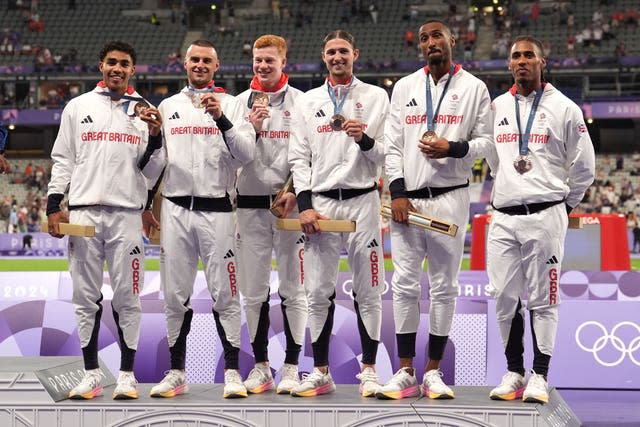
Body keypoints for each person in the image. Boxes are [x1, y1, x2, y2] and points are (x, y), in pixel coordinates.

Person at [379, 19, 492, 400]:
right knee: (405, 285)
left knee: (444, 286)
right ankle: (406, 370)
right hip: (407, 200)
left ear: (452, 40)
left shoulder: (474, 87)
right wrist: (396, 192)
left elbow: (488, 142)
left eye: (437, 36)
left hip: (451, 196)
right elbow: (392, 146)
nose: (430, 42)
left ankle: (433, 371)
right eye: (424, 38)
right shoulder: (406, 87)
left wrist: (455, 148)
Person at [46, 40, 165, 400]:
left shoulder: (146, 111)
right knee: (85, 297)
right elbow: (62, 158)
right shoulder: (77, 106)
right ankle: (91, 374)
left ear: (132, 69)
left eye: (124, 64)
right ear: (101, 66)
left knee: (129, 296)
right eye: (111, 62)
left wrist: (157, 136)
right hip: (83, 213)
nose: (117, 68)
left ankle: (127, 375)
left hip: (127, 215)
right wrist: (54, 204)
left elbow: (153, 170)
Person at [487, 35, 595, 404]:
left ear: (542, 62)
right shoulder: (498, 106)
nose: (521, 62)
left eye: (528, 56)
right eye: (515, 56)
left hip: (545, 213)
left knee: (543, 298)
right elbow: (494, 159)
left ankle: (540, 374)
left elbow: (584, 168)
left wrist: (563, 208)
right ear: (509, 65)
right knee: (503, 297)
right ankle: (514, 371)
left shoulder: (564, 108)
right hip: (502, 216)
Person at [148, 40, 254, 399]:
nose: (200, 64)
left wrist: (221, 117)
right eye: (194, 59)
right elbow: (155, 164)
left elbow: (247, 154)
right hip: (176, 209)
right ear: (184, 63)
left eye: (207, 60)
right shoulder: (168, 106)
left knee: (225, 294)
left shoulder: (234, 104)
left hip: (219, 209)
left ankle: (232, 373)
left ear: (217, 65)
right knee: (174, 296)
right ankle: (177, 372)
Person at [288, 30, 389, 397]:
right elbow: (298, 157)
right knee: (317, 291)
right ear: (324, 55)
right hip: (322, 204)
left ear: (355, 54)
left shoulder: (376, 97)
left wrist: (364, 140)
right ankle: (319, 370)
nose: (337, 57)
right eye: (331, 51)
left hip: (364, 200)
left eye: (343, 51)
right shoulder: (310, 100)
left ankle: (370, 369)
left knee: (369, 290)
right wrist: (306, 205)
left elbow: (387, 156)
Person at [235, 34, 307, 395]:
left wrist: (294, 189)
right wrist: (253, 127)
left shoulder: (304, 103)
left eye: (270, 60)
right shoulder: (236, 104)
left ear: (283, 62)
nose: (263, 66)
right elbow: (228, 157)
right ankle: (261, 366)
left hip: (288, 208)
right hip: (248, 206)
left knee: (294, 290)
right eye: (258, 59)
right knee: (253, 292)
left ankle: (293, 366)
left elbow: (310, 155)